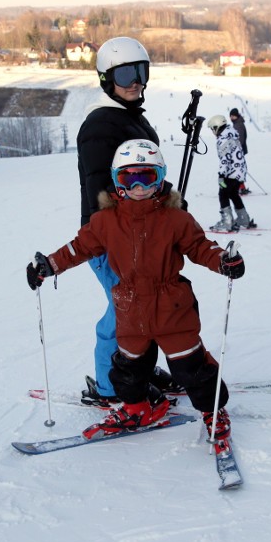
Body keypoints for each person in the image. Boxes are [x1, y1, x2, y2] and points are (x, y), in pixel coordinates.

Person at [26, 139, 245, 441]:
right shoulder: (104, 222)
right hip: (130, 309)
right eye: (129, 178)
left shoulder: (176, 219)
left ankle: (213, 411)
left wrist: (222, 261)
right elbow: (78, 248)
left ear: (161, 178)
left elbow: (199, 247)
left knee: (191, 369)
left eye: (148, 176)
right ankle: (137, 407)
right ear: (117, 181)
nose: (139, 186)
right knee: (127, 369)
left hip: (173, 309)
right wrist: (49, 265)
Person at [76, 36, 178, 407]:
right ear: (106, 79)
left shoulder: (129, 117)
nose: (136, 81)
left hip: (141, 236)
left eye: (141, 71)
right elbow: (102, 190)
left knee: (146, 307)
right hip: (111, 241)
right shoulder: (101, 126)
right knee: (125, 311)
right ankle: (110, 384)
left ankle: (140, 370)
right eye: (125, 74)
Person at [208, 114, 256, 231]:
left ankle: (227, 221)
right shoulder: (232, 135)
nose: (212, 132)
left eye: (212, 129)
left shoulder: (223, 139)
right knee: (233, 194)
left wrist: (221, 175)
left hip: (230, 173)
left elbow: (225, 159)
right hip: (239, 172)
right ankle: (243, 219)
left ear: (217, 127)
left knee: (223, 194)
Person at [229, 108, 251, 195]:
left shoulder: (238, 125)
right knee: (237, 169)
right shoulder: (237, 124)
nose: (231, 118)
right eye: (230, 116)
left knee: (237, 169)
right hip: (239, 151)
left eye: (233, 116)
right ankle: (241, 187)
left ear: (237, 116)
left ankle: (240, 188)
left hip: (238, 151)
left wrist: (235, 150)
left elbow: (240, 139)